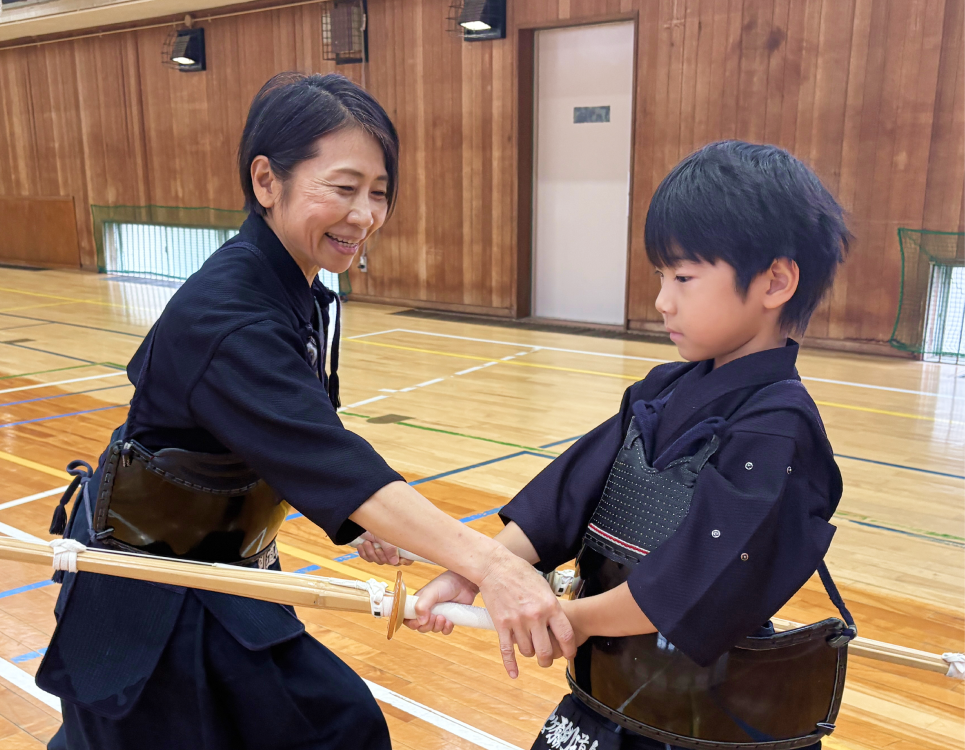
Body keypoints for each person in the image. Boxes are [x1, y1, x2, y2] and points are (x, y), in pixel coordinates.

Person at [39, 72, 572, 750]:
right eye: (344, 188)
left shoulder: (304, 291)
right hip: (149, 595)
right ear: (267, 181)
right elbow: (327, 458)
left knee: (336, 728)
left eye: (378, 192)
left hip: (227, 577)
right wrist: (492, 565)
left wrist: (361, 522)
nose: (365, 214)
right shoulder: (227, 315)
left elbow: (298, 438)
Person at [412, 141, 853, 749]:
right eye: (661, 277)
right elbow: (564, 499)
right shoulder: (660, 391)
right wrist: (473, 575)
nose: (663, 300)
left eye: (684, 278)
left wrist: (564, 617)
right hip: (611, 690)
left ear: (774, 281)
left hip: (703, 719)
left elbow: (692, 582)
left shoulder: (780, 430)